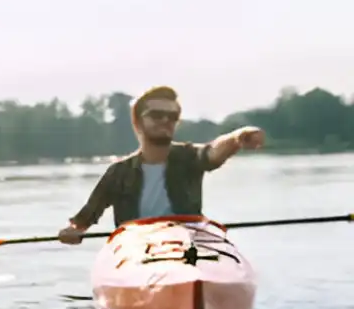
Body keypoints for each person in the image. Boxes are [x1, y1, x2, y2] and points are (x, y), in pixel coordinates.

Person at [57, 85, 266, 244]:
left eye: (172, 116)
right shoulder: (118, 173)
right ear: (138, 122)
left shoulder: (189, 157)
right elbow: (84, 219)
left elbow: (212, 151)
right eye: (157, 115)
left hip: (187, 243)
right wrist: (73, 231)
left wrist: (237, 138)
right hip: (136, 248)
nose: (166, 120)